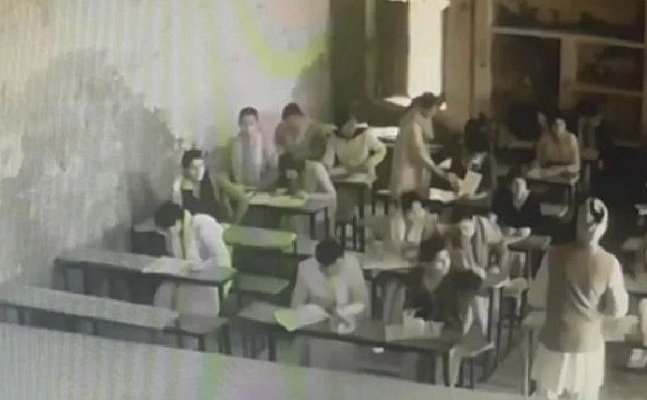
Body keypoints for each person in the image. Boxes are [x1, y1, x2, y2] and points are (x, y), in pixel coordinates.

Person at [528, 197, 629, 400]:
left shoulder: (553, 256)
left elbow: (535, 299)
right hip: (588, 345)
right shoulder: (610, 263)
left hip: (554, 342)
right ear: (604, 227)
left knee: (546, 395)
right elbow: (618, 310)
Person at [412, 236, 489, 387]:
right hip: (424, 330)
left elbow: (478, 282)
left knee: (444, 351)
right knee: (416, 354)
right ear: (425, 264)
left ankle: (443, 387)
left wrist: (465, 265)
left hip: (452, 329)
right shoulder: (417, 280)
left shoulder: (458, 280)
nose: (446, 264)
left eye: (447, 258)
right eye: (439, 261)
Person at [291, 239, 368, 369]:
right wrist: (317, 308)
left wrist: (344, 311)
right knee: (319, 367)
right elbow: (295, 306)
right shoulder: (305, 269)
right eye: (322, 267)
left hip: (346, 328)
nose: (326, 271)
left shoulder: (351, 264)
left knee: (345, 369)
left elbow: (362, 300)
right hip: (317, 331)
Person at [152, 201, 232, 320]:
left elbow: (220, 256)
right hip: (187, 276)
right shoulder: (174, 234)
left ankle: (186, 325)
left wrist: (201, 266)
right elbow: (175, 257)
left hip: (211, 277)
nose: (167, 234)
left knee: (190, 308)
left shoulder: (202, 223)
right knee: (163, 294)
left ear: (177, 222)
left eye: (167, 230)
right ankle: (161, 324)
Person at [389, 92, 458, 199]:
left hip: (416, 168)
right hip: (409, 171)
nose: (435, 113)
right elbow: (420, 153)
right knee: (411, 201)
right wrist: (442, 173)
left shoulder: (418, 120)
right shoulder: (413, 125)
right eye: (435, 109)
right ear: (427, 108)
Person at [216, 107, 278, 223]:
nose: (248, 128)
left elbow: (274, 170)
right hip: (240, 188)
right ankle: (232, 224)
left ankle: (235, 223)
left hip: (260, 189)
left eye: (251, 124)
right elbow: (227, 169)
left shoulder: (265, 143)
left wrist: (260, 186)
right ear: (239, 124)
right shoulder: (233, 143)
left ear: (257, 123)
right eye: (244, 124)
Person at [275, 152, 337, 236]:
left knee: (295, 221)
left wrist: (309, 196)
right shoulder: (288, 173)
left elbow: (332, 195)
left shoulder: (316, 168)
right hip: (297, 209)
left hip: (318, 209)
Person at [172, 149, 223, 220]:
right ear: (185, 170)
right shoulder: (181, 190)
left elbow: (214, 209)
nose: (199, 171)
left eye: (201, 166)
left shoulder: (205, 183)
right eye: (193, 168)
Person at [530, 111, 581, 177]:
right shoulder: (544, 138)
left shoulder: (571, 139)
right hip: (548, 171)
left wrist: (561, 169)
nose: (558, 127)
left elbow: (576, 166)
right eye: (555, 125)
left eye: (560, 124)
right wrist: (536, 165)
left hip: (566, 172)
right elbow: (539, 160)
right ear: (551, 127)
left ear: (565, 126)